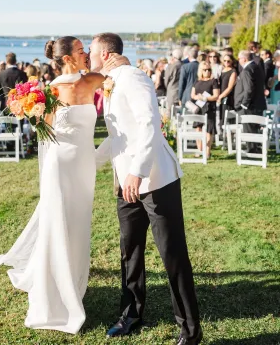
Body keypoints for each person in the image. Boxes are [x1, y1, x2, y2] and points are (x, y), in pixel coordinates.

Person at [0, 37, 126, 334]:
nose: (87, 53)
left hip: (81, 168)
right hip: (62, 165)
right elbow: (46, 132)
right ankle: (56, 294)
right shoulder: (53, 91)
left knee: (77, 224)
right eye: (81, 51)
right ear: (67, 59)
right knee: (59, 224)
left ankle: (73, 278)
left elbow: (118, 80)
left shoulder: (80, 82)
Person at [93, 33, 201, 345]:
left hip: (155, 180)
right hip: (125, 183)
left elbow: (149, 124)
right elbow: (118, 136)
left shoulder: (134, 76)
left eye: (91, 51)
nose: (88, 56)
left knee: (172, 255)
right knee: (130, 251)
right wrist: (87, 161)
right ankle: (131, 315)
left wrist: (137, 173)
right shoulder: (111, 82)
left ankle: (190, 331)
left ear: (106, 53)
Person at [234, 50, 266, 146]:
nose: (238, 60)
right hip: (257, 104)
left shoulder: (247, 70)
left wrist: (244, 104)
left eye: (239, 58)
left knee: (249, 130)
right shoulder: (256, 67)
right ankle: (256, 149)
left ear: (244, 59)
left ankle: (252, 150)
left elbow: (249, 89)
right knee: (254, 129)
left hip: (250, 106)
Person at [191, 62, 220, 158]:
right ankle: (199, 149)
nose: (207, 71)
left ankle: (207, 151)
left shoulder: (213, 81)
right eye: (205, 69)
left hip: (209, 108)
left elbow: (216, 96)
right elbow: (193, 95)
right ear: (201, 71)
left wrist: (206, 98)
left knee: (209, 130)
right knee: (198, 128)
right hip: (198, 108)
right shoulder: (197, 81)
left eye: (209, 69)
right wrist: (197, 97)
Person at [218, 54, 237, 123]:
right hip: (220, 96)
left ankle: (228, 133)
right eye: (224, 60)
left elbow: (230, 87)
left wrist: (220, 96)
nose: (226, 62)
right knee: (220, 117)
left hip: (227, 98)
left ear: (232, 61)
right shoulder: (222, 70)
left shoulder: (233, 71)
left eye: (228, 61)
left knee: (227, 119)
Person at [164, 49, 182, 115]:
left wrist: (168, 87)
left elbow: (166, 80)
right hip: (180, 92)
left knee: (170, 112)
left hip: (172, 92)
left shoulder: (171, 66)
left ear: (174, 57)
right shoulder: (184, 65)